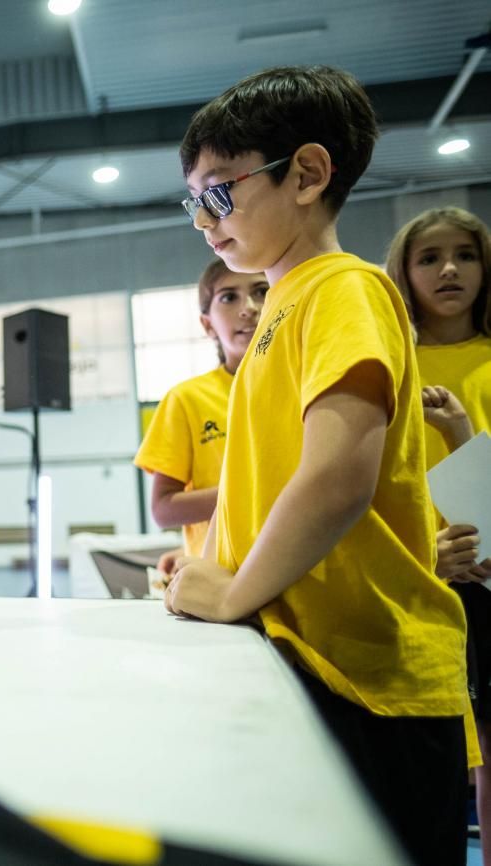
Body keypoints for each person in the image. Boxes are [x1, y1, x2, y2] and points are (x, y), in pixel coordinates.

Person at [163, 66, 471, 865]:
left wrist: (232, 587)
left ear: (306, 174)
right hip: (313, 663)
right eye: (192, 201)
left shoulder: (344, 290)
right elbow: (273, 477)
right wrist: (218, 557)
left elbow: (337, 478)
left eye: (219, 193)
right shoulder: (285, 308)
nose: (203, 220)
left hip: (372, 683)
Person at [386, 205, 491, 859]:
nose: (449, 268)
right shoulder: (388, 364)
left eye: (465, 254)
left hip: (486, 575)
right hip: (417, 580)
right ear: (404, 271)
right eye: (429, 257)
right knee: (443, 758)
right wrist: (422, 557)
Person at [134, 260, 267, 573]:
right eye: (228, 297)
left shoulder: (305, 385)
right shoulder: (187, 399)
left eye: (261, 291)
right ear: (208, 325)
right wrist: (254, 493)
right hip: (220, 577)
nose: (248, 307)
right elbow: (163, 509)